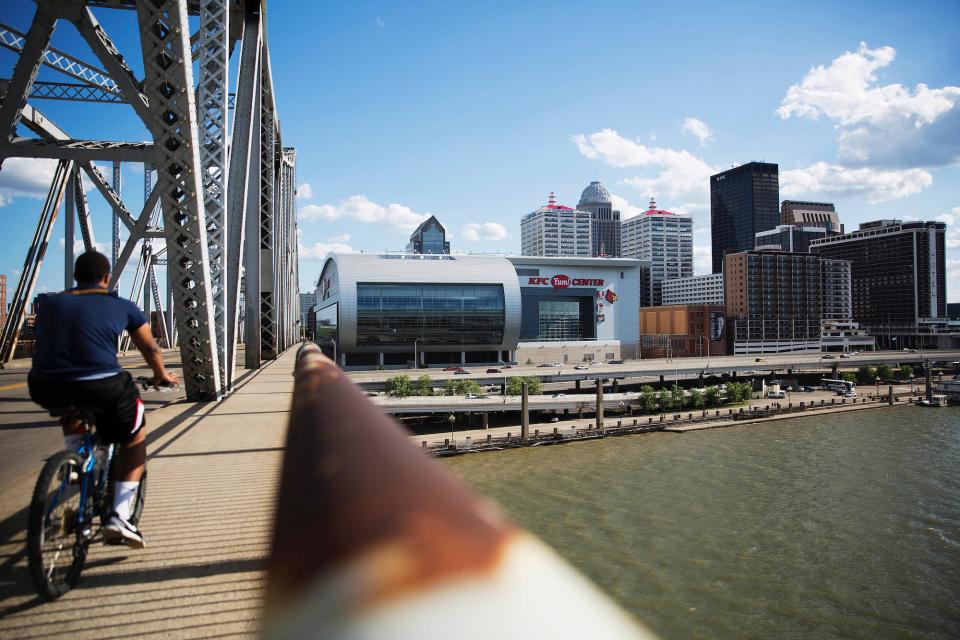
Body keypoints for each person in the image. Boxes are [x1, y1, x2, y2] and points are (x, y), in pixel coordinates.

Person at [28, 251, 179, 548]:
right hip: (101, 385)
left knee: (68, 402)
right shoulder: (121, 306)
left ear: (76, 276)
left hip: (44, 384)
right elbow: (151, 350)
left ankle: (75, 459)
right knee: (134, 436)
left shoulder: (49, 304)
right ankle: (120, 517)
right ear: (107, 278)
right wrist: (161, 375)